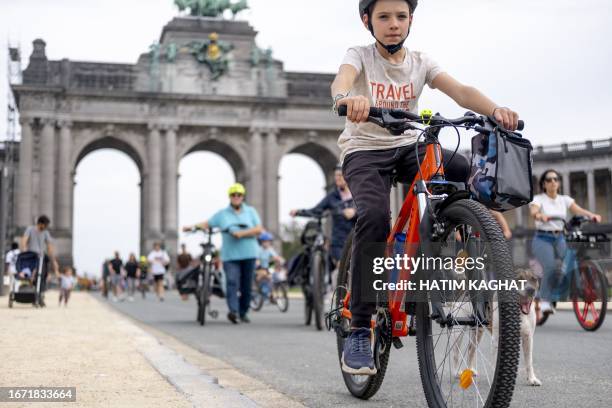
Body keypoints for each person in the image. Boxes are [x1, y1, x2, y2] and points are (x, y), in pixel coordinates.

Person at [332, 0, 521, 375]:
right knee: (373, 216)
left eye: (401, 17)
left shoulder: (421, 62)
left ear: (411, 21)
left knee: (463, 165)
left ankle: (465, 233)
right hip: (365, 151)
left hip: (406, 146)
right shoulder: (360, 56)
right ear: (367, 20)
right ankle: (359, 330)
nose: (393, 24)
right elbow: (341, 78)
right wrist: (345, 98)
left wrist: (495, 110)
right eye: (384, 17)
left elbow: (462, 91)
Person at [183, 183, 263, 324]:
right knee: (232, 282)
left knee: (246, 285)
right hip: (230, 255)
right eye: (233, 195)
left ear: (243, 196)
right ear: (230, 197)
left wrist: (241, 233)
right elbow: (207, 223)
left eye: (239, 194)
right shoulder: (223, 214)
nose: (236, 197)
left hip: (249, 253)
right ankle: (233, 311)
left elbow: (259, 229)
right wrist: (192, 227)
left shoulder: (251, 211)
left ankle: (243, 311)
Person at [529, 169, 601, 316]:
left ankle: (574, 286)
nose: (553, 182)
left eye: (555, 179)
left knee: (571, 258)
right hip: (543, 238)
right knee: (549, 265)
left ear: (559, 182)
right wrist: (539, 215)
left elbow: (578, 210)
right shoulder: (539, 199)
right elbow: (534, 211)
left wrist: (592, 215)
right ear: (544, 184)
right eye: (549, 180)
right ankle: (544, 300)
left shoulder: (564, 199)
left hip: (560, 237)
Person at [290, 165, 357, 264]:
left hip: (357, 238)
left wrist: (355, 212)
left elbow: (370, 210)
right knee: (343, 268)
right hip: (338, 241)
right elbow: (317, 210)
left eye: (340, 175)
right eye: (336, 176)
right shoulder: (332, 197)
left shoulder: (358, 194)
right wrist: (299, 212)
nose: (337, 178)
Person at [20, 215, 59, 306]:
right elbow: (24, 241)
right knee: (33, 276)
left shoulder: (45, 233)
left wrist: (53, 261)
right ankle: (35, 295)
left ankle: (40, 296)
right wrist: (24, 251)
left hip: (42, 257)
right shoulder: (30, 229)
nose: (45, 228)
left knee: (42, 276)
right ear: (40, 223)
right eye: (44, 225)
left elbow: (49, 247)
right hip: (31, 256)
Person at [255, 232, 284, 301]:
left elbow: (276, 257)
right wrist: (258, 265)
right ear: (261, 242)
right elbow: (257, 260)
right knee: (263, 276)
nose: (267, 243)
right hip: (260, 267)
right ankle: (259, 289)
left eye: (268, 242)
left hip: (268, 266)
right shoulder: (259, 250)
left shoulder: (270, 249)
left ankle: (273, 292)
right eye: (265, 242)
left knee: (274, 275)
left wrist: (281, 260)